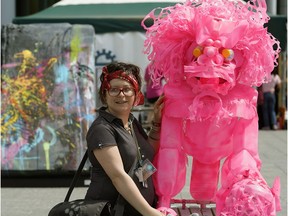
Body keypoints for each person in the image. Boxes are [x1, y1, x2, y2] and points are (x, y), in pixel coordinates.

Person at [84, 62, 166, 216]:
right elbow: (118, 176)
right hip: (110, 211)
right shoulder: (102, 128)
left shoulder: (131, 122)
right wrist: (150, 212)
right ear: (104, 94)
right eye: (114, 90)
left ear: (136, 94)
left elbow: (146, 157)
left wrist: (157, 122)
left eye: (127, 89)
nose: (121, 95)